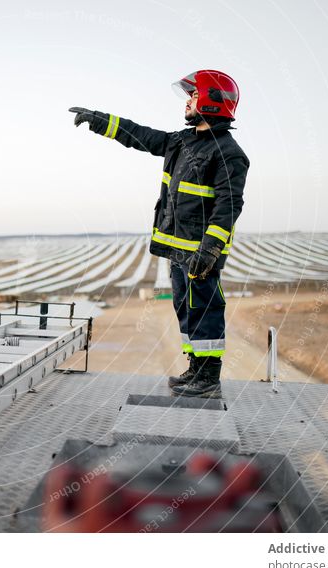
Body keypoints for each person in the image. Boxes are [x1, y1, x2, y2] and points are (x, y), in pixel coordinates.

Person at [69, 70, 249, 398]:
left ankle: (209, 377)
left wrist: (209, 250)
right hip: (178, 251)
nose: (188, 102)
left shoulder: (229, 153)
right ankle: (195, 367)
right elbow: (141, 136)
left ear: (211, 102)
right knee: (185, 307)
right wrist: (100, 121)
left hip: (200, 253)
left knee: (205, 308)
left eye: (194, 96)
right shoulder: (182, 142)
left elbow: (229, 207)